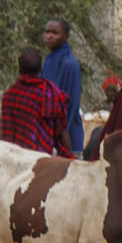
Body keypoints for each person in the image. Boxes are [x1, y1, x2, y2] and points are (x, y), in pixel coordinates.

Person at [0, 47, 73, 155]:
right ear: (41, 69)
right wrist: (69, 159)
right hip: (42, 161)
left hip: (13, 159)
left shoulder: (9, 96)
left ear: (19, 69)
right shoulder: (50, 93)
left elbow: (7, 134)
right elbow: (62, 132)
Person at [41, 18, 86, 154]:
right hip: (50, 133)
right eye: (47, 32)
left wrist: (62, 132)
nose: (49, 36)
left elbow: (71, 102)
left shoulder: (68, 63)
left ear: (66, 36)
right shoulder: (50, 60)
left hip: (67, 136)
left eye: (55, 33)